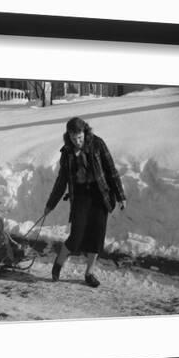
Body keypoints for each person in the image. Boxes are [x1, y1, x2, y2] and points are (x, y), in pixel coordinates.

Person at [44, 117, 127, 287]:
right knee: (76, 236)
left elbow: (111, 170)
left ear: (85, 132)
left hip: (100, 195)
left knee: (97, 236)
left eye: (80, 137)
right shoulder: (67, 152)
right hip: (80, 196)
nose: (77, 141)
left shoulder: (98, 144)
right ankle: (59, 262)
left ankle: (89, 273)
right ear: (69, 136)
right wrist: (50, 205)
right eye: (74, 138)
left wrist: (120, 195)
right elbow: (61, 181)